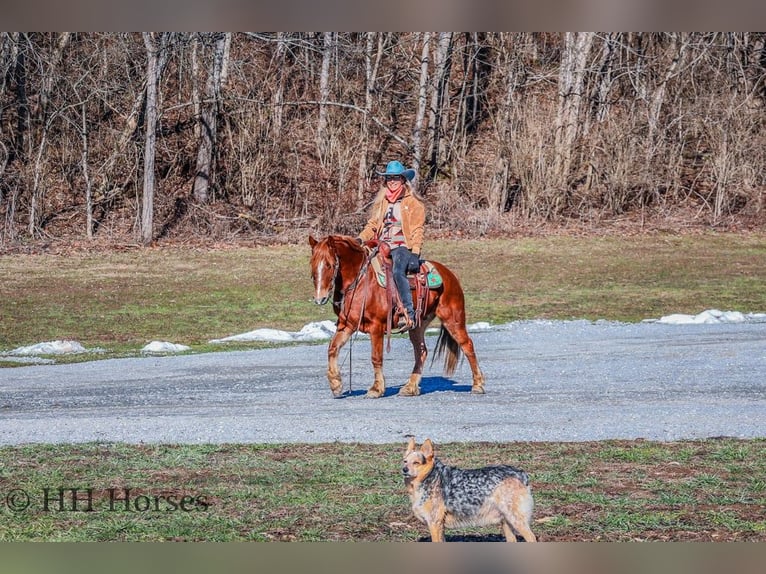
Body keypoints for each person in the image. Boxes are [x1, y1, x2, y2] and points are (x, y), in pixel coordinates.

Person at [357, 160, 425, 332]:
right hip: (381, 245)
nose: (392, 181)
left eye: (395, 178)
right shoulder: (382, 202)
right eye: (389, 178)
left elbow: (417, 229)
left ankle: (408, 313)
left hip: (402, 246)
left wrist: (415, 252)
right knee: (361, 269)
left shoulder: (413, 203)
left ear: (403, 180)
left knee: (397, 271)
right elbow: (372, 225)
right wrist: (360, 239)